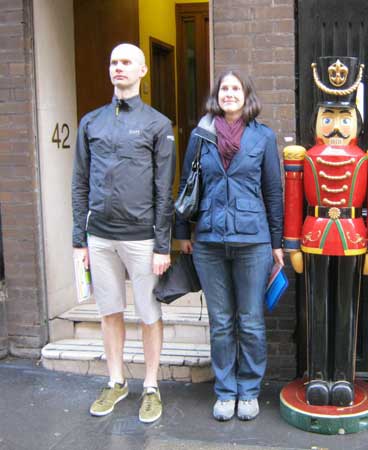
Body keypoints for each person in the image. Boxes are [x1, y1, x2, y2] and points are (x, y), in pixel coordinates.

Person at [71, 43, 175, 423]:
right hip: (99, 237)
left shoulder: (157, 124)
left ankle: (150, 385)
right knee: (109, 312)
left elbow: (165, 191)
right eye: (113, 61)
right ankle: (116, 381)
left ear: (143, 71)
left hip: (142, 238)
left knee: (149, 313)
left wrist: (163, 245)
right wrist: (78, 240)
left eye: (127, 62)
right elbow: (79, 181)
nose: (118, 68)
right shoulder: (91, 122)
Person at [174, 70, 284, 422]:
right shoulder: (200, 135)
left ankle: (249, 390)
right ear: (216, 95)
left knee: (250, 320)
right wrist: (181, 233)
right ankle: (225, 391)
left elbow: (273, 191)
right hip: (208, 239)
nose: (230, 93)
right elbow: (186, 184)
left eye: (236, 88)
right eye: (225, 88)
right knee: (221, 322)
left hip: (253, 241)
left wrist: (278, 243)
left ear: (247, 95)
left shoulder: (263, 137)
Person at [283, 56, 368, 407]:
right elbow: (293, 201)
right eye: (328, 118)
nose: (336, 128)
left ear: (355, 120)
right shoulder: (303, 156)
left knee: (347, 308)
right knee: (316, 308)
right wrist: (292, 244)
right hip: (314, 236)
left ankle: (343, 376)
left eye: (344, 119)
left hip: (351, 236)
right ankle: (316, 375)